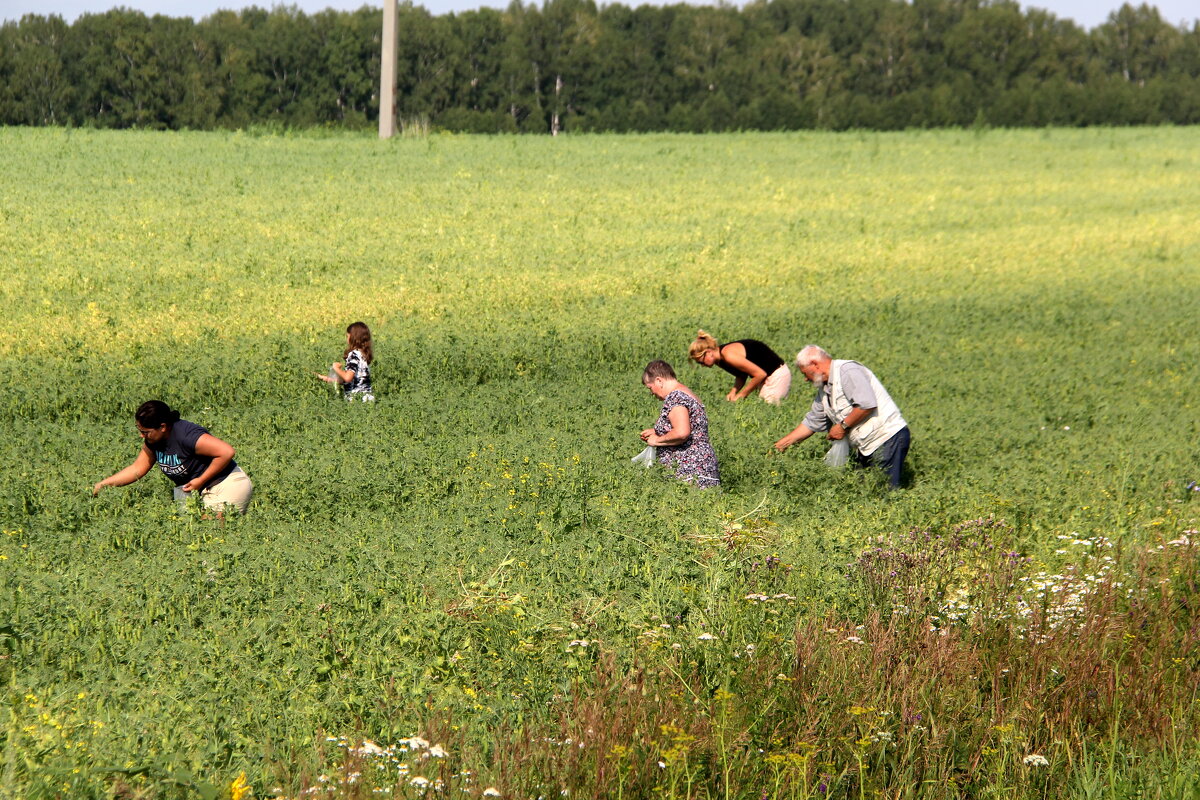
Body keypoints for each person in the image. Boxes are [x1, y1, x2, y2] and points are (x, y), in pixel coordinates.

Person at [774, 345, 911, 488]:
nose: (805, 379)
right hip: (867, 445)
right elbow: (812, 422)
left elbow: (866, 404)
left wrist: (842, 427)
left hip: (887, 437)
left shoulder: (847, 371)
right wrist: (781, 446)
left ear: (814, 364)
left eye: (804, 373)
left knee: (884, 491)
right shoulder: (825, 390)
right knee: (865, 491)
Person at [93, 400, 254, 515]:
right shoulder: (153, 440)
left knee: (210, 537)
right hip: (195, 492)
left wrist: (201, 480)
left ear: (162, 427)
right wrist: (105, 484)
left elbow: (226, 452)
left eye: (145, 431)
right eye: (139, 429)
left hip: (225, 486)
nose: (141, 435)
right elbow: (137, 468)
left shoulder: (186, 435)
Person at [640, 360, 720, 488]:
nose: (651, 393)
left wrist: (657, 440)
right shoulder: (686, 393)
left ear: (659, 381)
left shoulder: (676, 397)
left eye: (650, 388)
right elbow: (691, 426)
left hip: (689, 471)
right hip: (701, 467)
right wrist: (658, 431)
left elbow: (682, 432)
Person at [688, 330, 791, 404]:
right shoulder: (720, 360)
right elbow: (741, 374)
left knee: (770, 411)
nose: (702, 366)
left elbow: (760, 374)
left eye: (701, 362)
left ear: (708, 352)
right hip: (766, 378)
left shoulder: (728, 355)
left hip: (776, 375)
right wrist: (733, 392)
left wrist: (742, 395)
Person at [315, 321, 375, 401]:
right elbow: (352, 380)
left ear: (353, 337)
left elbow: (347, 378)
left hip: (356, 400)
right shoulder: (363, 354)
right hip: (367, 399)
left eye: (347, 336)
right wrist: (324, 378)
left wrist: (336, 368)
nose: (347, 340)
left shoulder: (353, 355)